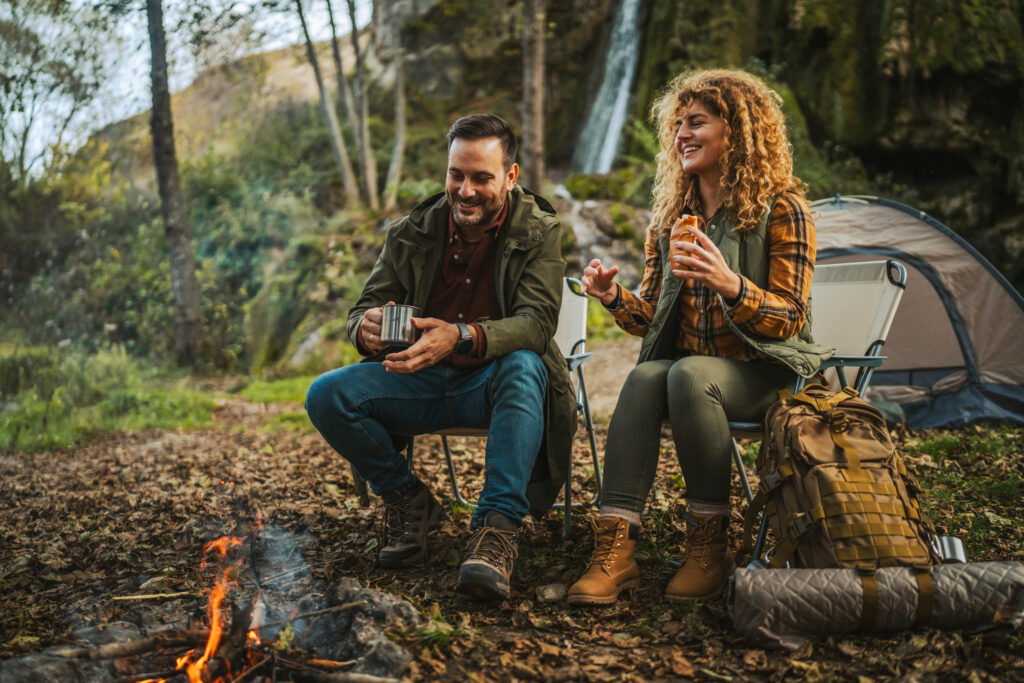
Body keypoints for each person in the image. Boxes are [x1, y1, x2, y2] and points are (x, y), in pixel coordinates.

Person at [567, 70, 832, 605]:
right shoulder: (672, 220)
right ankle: (615, 550)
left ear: (736, 131)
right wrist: (613, 298)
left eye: (697, 122)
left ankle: (709, 546)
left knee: (690, 373)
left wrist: (730, 283)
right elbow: (653, 322)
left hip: (772, 375)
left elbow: (788, 319)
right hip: (696, 377)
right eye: (677, 125)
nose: (682, 134)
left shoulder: (784, 210)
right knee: (646, 376)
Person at [305, 114, 575, 601]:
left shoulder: (539, 230)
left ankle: (496, 530)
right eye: (456, 175)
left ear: (510, 178)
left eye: (481, 178)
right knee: (326, 394)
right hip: (418, 381)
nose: (465, 190)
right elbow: (363, 309)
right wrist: (364, 330)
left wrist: (461, 336)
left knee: (524, 364)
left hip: (491, 385)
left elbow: (537, 324)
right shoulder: (411, 230)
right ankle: (409, 501)